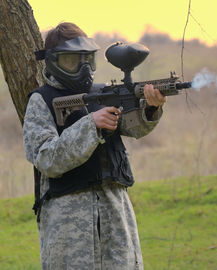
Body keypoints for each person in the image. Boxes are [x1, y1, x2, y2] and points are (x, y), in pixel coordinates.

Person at [23, 22, 166, 269]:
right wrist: (91, 125)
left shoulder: (101, 93)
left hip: (114, 212)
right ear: (54, 62)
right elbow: (46, 158)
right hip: (69, 223)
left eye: (87, 60)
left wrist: (150, 108)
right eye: (72, 61)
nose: (83, 68)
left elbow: (133, 127)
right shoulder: (41, 101)